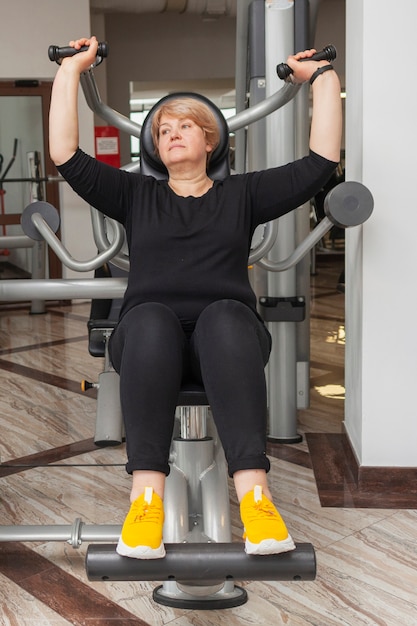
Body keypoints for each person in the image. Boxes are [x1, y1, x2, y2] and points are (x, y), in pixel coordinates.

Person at [49, 36, 342, 560]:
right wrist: (73, 67)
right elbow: (65, 154)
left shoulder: (243, 194)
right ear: (156, 149)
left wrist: (319, 76)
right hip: (147, 337)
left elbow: (321, 161)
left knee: (227, 315)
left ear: (210, 142)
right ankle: (144, 504)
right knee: (148, 320)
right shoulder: (135, 194)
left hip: (227, 339)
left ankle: (256, 500)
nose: (172, 133)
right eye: (163, 130)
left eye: (184, 125)